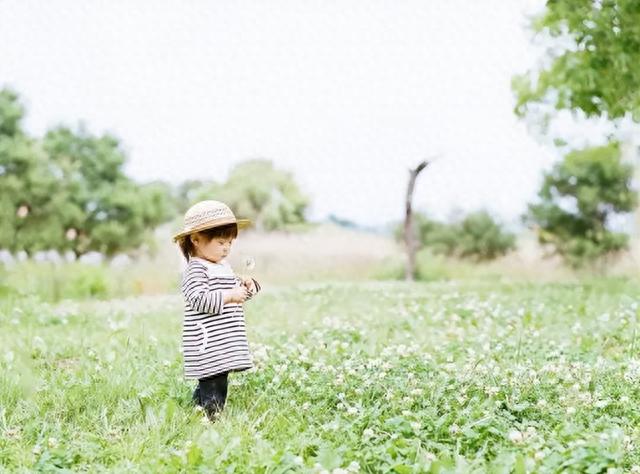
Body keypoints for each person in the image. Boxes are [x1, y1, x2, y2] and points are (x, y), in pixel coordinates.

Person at [173, 200, 261, 420]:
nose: (226, 248)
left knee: (219, 376)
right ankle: (212, 416)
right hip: (208, 339)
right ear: (196, 240)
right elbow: (197, 299)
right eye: (221, 242)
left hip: (224, 338)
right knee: (212, 378)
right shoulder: (196, 269)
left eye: (230, 242)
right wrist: (229, 295)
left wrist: (248, 287)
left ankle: (198, 409)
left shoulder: (223, 267)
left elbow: (236, 296)